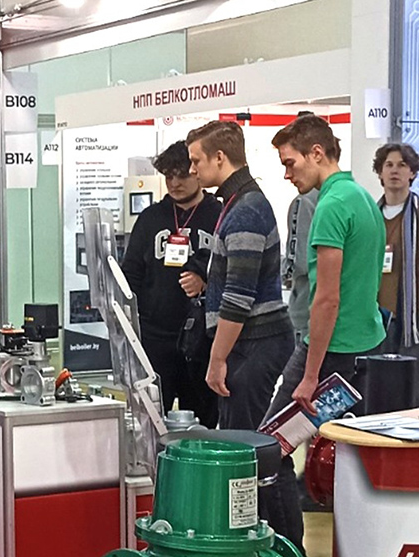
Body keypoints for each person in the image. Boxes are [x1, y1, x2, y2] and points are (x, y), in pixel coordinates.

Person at [264, 115, 386, 557]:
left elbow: (327, 299)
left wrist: (310, 375)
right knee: (353, 466)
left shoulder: (331, 206)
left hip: (330, 355)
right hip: (364, 346)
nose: (287, 174)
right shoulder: (362, 199)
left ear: (317, 153)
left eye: (290, 162)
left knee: (270, 450)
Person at [185, 121, 294, 431]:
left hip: (256, 342)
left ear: (219, 157)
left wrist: (217, 359)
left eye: (196, 160)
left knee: (246, 443)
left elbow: (237, 298)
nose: (191, 170)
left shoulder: (246, 209)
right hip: (249, 342)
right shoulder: (237, 203)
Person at [121, 141, 221, 428]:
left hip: (203, 340)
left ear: (197, 172)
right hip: (156, 338)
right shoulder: (150, 218)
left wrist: (205, 278)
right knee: (151, 421)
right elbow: (131, 275)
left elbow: (232, 270)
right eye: (169, 176)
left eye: (182, 175)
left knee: (202, 423)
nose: (175, 183)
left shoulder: (218, 214)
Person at [373, 143, 419, 364]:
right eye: (388, 165)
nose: (394, 171)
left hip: (412, 320)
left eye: (402, 165)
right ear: (380, 173)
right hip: (376, 318)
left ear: (412, 173)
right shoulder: (370, 216)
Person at [283, 189, 319, 343]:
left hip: (305, 311)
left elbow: (298, 262)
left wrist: (280, 268)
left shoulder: (304, 202)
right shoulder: (349, 197)